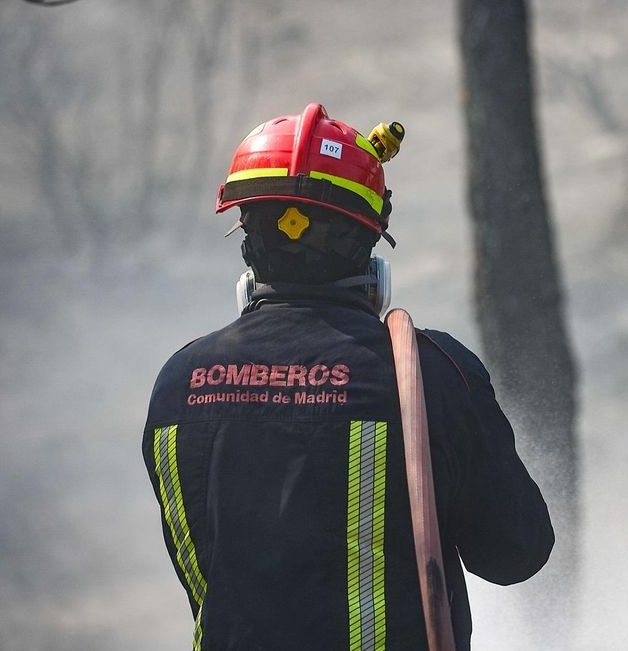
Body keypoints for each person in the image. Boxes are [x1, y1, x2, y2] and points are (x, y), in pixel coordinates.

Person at [142, 103, 553, 651]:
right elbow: (514, 552)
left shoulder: (180, 383)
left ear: (246, 238)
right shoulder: (427, 373)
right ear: (371, 253)